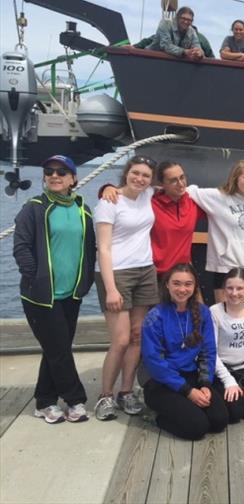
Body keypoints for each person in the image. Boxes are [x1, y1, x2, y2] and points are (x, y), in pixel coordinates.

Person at [13, 155, 96, 424]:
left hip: (71, 294)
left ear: (73, 179)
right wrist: (35, 277)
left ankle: (45, 402)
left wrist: (85, 283)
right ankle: (75, 399)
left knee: (55, 348)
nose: (55, 175)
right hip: (41, 297)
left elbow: (90, 249)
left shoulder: (83, 210)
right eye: (49, 171)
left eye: (62, 171)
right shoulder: (34, 208)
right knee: (59, 349)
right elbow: (21, 247)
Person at [94, 155, 160, 421]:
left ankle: (126, 391)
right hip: (117, 273)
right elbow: (104, 248)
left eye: (145, 175)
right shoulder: (108, 202)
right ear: (126, 173)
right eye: (136, 173)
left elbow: (171, 185)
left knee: (136, 337)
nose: (140, 179)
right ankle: (105, 395)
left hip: (145, 270)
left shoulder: (147, 194)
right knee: (120, 340)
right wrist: (110, 288)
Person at [141, 263, 228, 440]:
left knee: (219, 421)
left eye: (188, 284)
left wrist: (205, 384)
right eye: (177, 283)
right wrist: (188, 392)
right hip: (160, 381)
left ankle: (185, 408)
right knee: (197, 428)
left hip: (190, 374)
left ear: (195, 286)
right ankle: (155, 417)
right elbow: (154, 361)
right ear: (167, 285)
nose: (182, 289)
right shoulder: (155, 316)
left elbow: (208, 351)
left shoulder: (202, 312)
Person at [100, 161, 206, 284]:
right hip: (154, 274)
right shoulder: (151, 203)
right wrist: (107, 188)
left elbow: (221, 208)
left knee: (196, 303)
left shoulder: (193, 203)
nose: (181, 184)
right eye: (173, 181)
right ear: (162, 184)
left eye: (182, 177)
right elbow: (127, 197)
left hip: (182, 275)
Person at [186, 160, 244, 303]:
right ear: (236, 178)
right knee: (224, 317)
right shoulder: (218, 197)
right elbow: (189, 191)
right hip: (227, 266)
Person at [210, 269, 244, 422]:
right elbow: (210, 352)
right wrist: (228, 381)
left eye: (240, 288)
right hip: (221, 369)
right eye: (230, 288)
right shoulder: (214, 311)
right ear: (223, 289)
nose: (234, 293)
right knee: (235, 413)